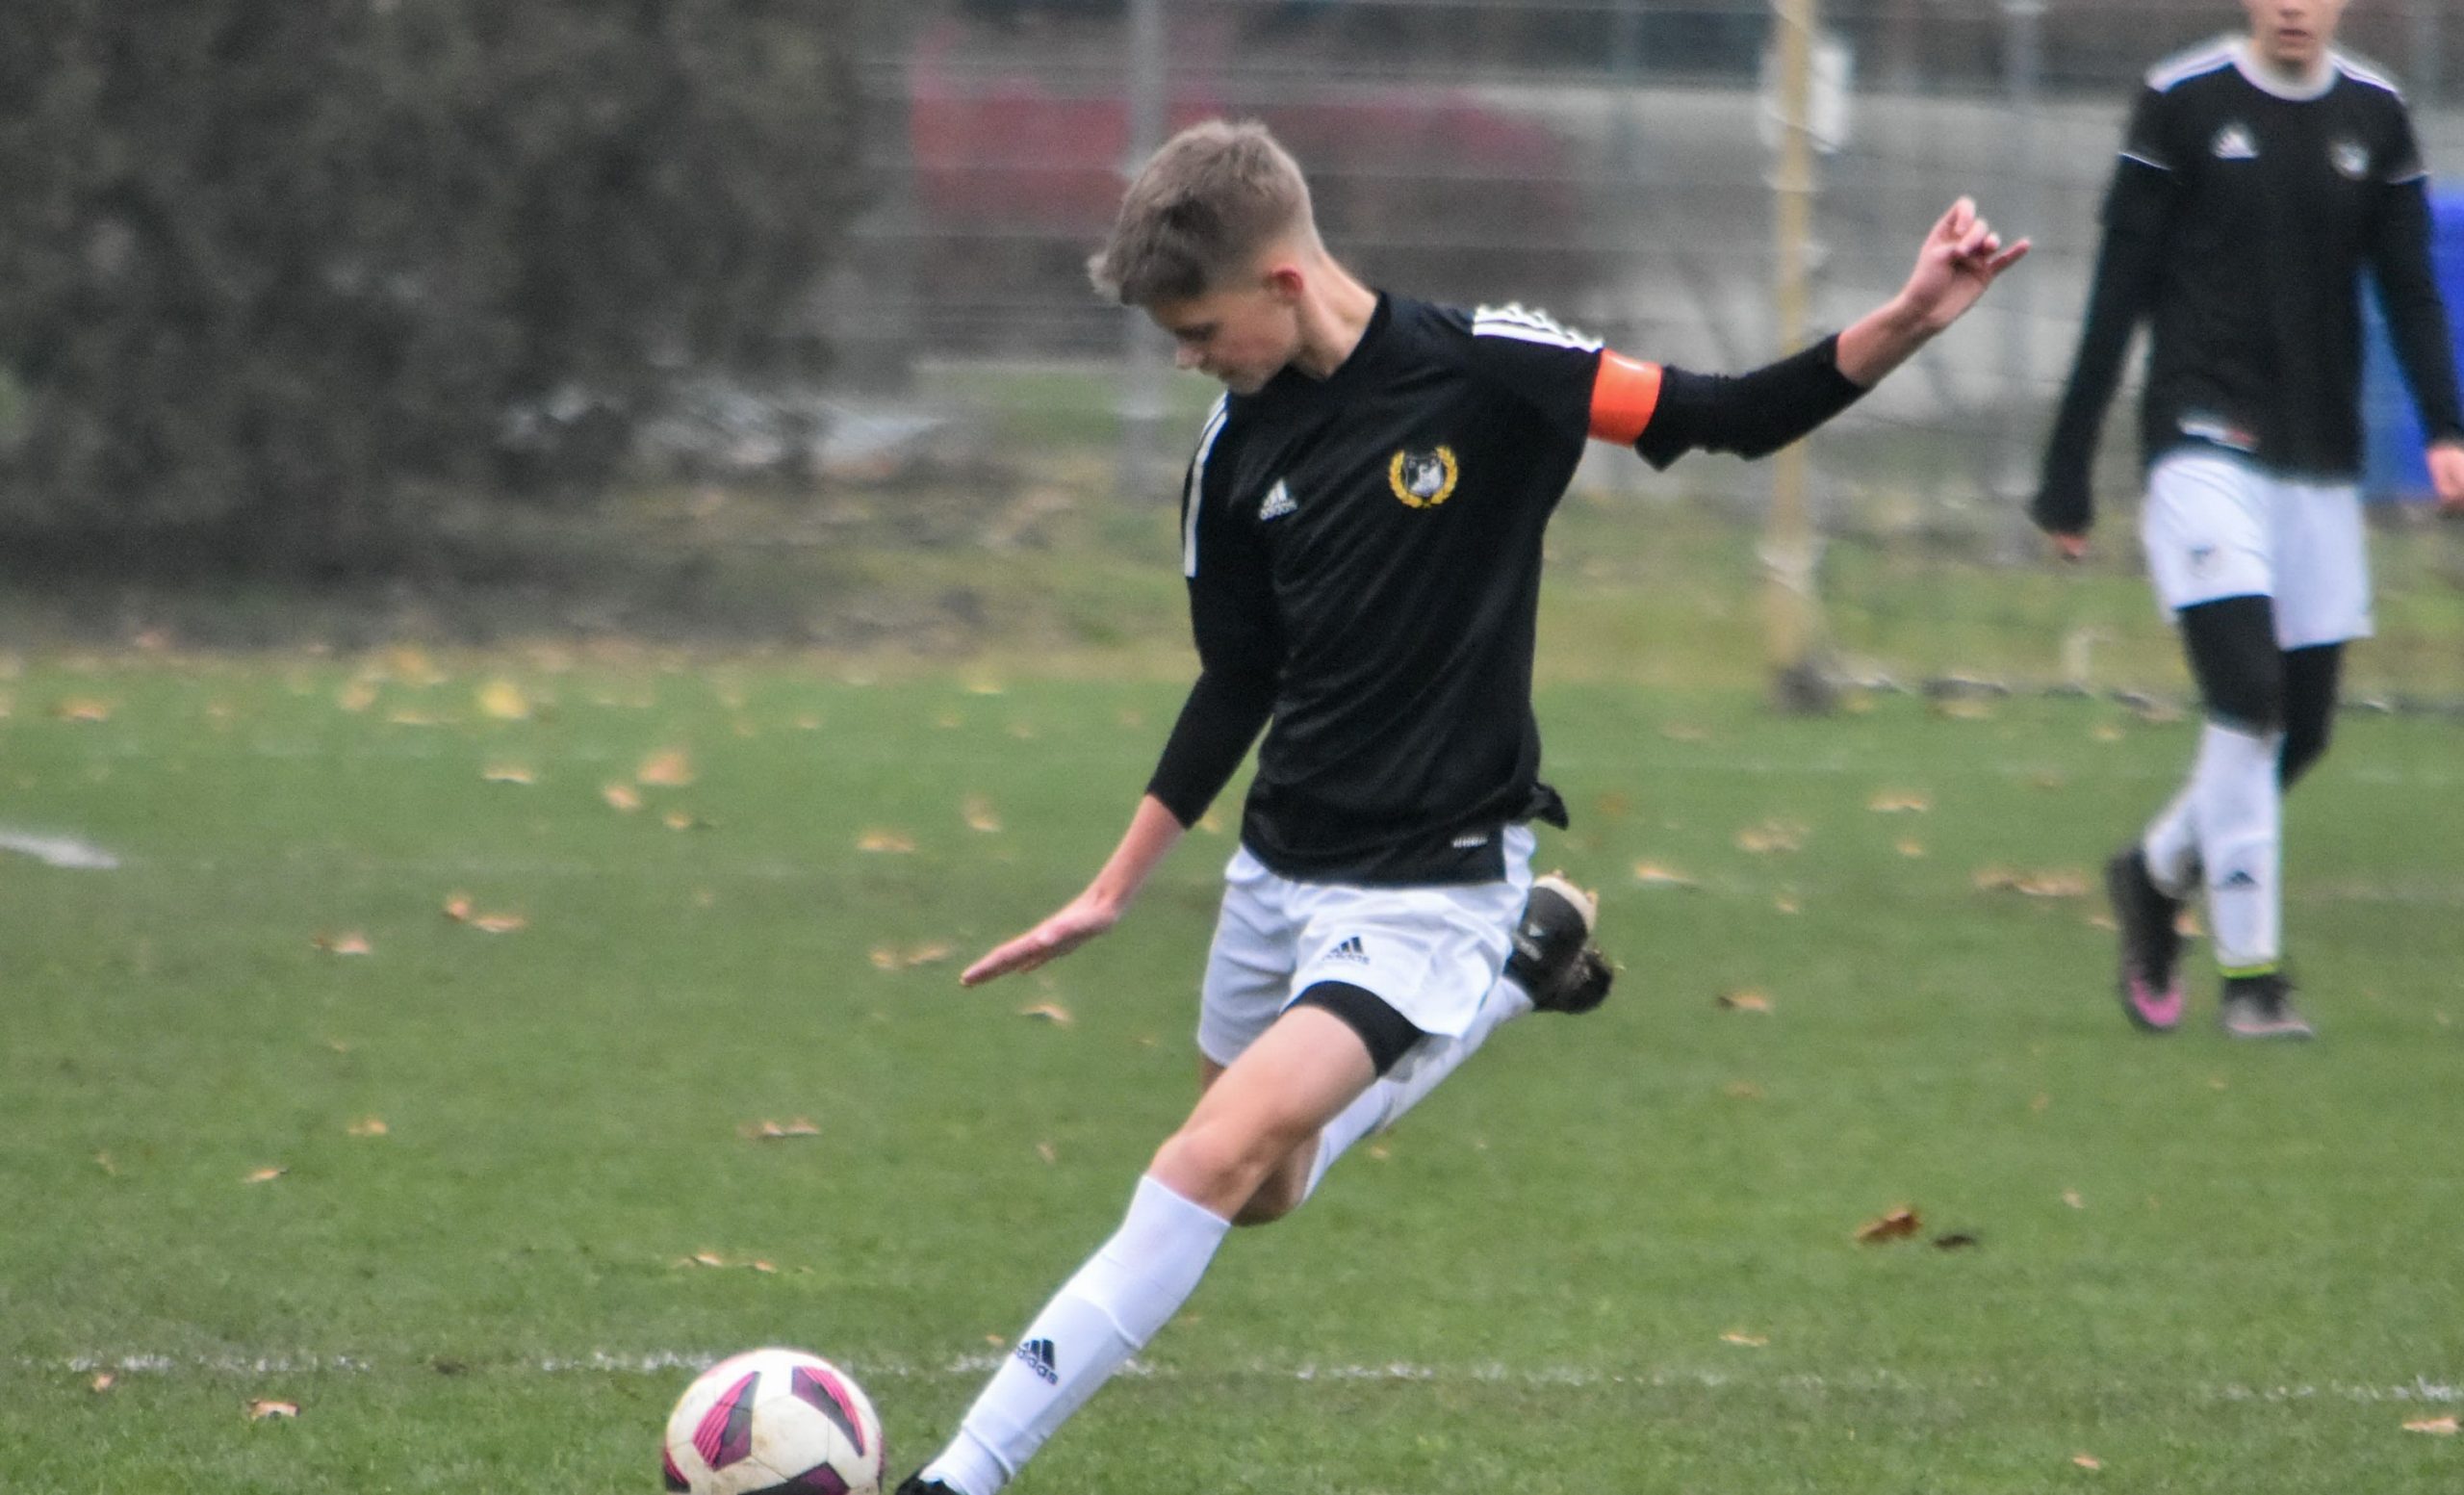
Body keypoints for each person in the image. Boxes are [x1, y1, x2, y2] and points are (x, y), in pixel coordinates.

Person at [897, 118, 2026, 1495]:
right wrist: (1111, 886)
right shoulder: (1231, 454)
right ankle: (1508, 984)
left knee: (1206, 1158)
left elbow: (1727, 414)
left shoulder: (1495, 366)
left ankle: (960, 1473)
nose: (1188, 359)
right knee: (1261, 1189)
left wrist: (1911, 316)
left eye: (1196, 330)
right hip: (1280, 866)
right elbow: (1238, 680)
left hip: (1432, 879)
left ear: (1283, 283)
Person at [2033, 0, 2464, 1041]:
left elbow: (2411, 288)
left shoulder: (2377, 113)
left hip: (2318, 461)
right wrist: (2068, 467)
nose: (2292, 6)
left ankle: (2155, 871)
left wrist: (2446, 426)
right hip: (2200, 441)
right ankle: (2254, 979)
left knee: (2301, 727)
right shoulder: (2181, 100)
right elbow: (2117, 292)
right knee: (2249, 697)